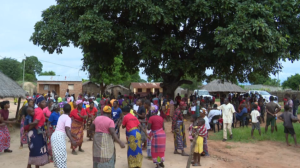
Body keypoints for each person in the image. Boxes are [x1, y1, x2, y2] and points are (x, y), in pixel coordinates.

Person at [51, 104, 77, 168]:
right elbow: (67, 129)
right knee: (61, 158)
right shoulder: (68, 118)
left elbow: (64, 129)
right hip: (59, 138)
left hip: (54, 136)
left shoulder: (61, 116)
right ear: (70, 111)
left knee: (57, 158)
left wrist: (72, 135)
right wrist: (72, 140)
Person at [27, 97, 49, 167]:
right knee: (37, 150)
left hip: (34, 131)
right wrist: (28, 128)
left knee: (34, 149)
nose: (45, 103)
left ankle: (32, 165)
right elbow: (36, 122)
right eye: (43, 102)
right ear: (38, 103)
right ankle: (31, 165)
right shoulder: (40, 111)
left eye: (45, 102)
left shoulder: (36, 110)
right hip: (37, 132)